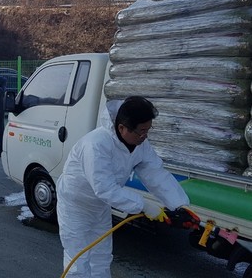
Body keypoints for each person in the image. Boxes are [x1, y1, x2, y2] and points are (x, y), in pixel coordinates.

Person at [56, 96, 190, 277]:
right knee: (78, 259)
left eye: (148, 131)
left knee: (101, 256)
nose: (145, 136)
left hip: (99, 206)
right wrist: (144, 205)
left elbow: (155, 173)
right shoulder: (96, 145)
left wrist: (178, 204)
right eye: (141, 131)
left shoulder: (139, 143)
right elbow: (105, 189)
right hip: (75, 205)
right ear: (122, 128)